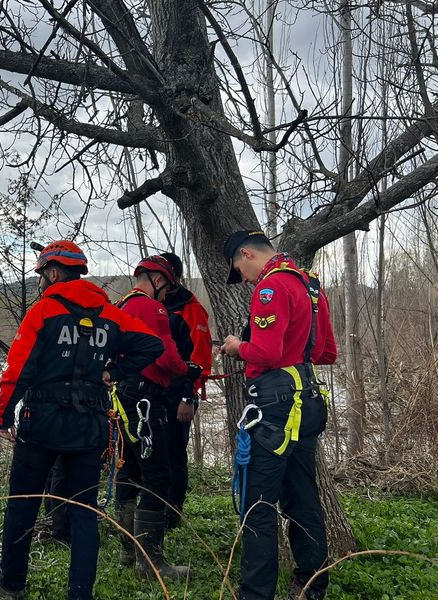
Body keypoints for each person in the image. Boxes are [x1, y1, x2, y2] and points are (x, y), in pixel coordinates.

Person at [0, 240, 165, 600]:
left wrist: (3, 415)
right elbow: (152, 345)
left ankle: (11, 585)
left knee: (23, 503)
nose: (40, 283)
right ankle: (80, 593)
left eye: (41, 276)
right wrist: (113, 370)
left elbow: (19, 369)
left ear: (52, 273)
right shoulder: (111, 314)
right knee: (84, 510)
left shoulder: (43, 310)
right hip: (88, 424)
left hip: (42, 422)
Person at [219, 231, 338, 600]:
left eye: (240, 271)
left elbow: (267, 353)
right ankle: (310, 586)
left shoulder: (270, 287)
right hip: (306, 399)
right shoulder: (310, 286)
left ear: (246, 253)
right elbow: (326, 352)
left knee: (258, 504)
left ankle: (255, 594)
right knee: (303, 496)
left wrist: (239, 347)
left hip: (275, 406)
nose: (245, 279)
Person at [112, 255, 200, 580]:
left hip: (123, 397)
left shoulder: (120, 306)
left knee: (130, 469)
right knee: (157, 476)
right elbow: (165, 352)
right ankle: (150, 564)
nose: (165, 297)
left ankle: (128, 549)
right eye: (166, 290)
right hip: (145, 398)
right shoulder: (153, 308)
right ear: (159, 281)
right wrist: (186, 370)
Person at [159, 252, 212, 530]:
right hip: (151, 394)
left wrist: (188, 396)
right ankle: (153, 507)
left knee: (174, 454)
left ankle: (172, 513)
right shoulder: (149, 304)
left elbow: (201, 358)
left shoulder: (190, 308)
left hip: (178, 394)